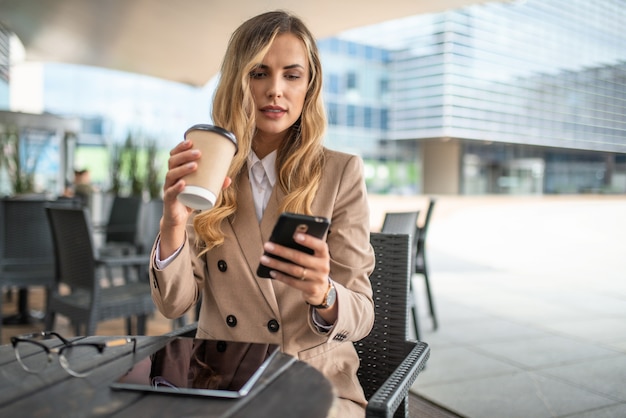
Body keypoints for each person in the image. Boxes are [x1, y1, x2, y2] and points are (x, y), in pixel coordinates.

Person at [150, 10, 375, 417]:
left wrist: (323, 294)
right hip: (219, 380)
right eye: (259, 73)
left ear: (309, 86)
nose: (275, 90)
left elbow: (362, 314)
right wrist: (173, 223)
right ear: (238, 81)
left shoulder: (339, 173)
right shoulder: (210, 171)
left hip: (313, 382)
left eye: (292, 75)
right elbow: (174, 305)